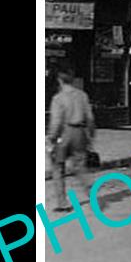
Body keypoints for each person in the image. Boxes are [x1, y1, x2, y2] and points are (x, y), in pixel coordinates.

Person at [47, 69, 96, 211]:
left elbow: (56, 123)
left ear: (59, 81)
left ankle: (63, 203)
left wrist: (51, 138)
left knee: (58, 167)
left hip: (64, 133)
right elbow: (90, 118)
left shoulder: (58, 98)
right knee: (79, 165)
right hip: (80, 132)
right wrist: (90, 137)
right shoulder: (82, 95)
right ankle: (89, 188)